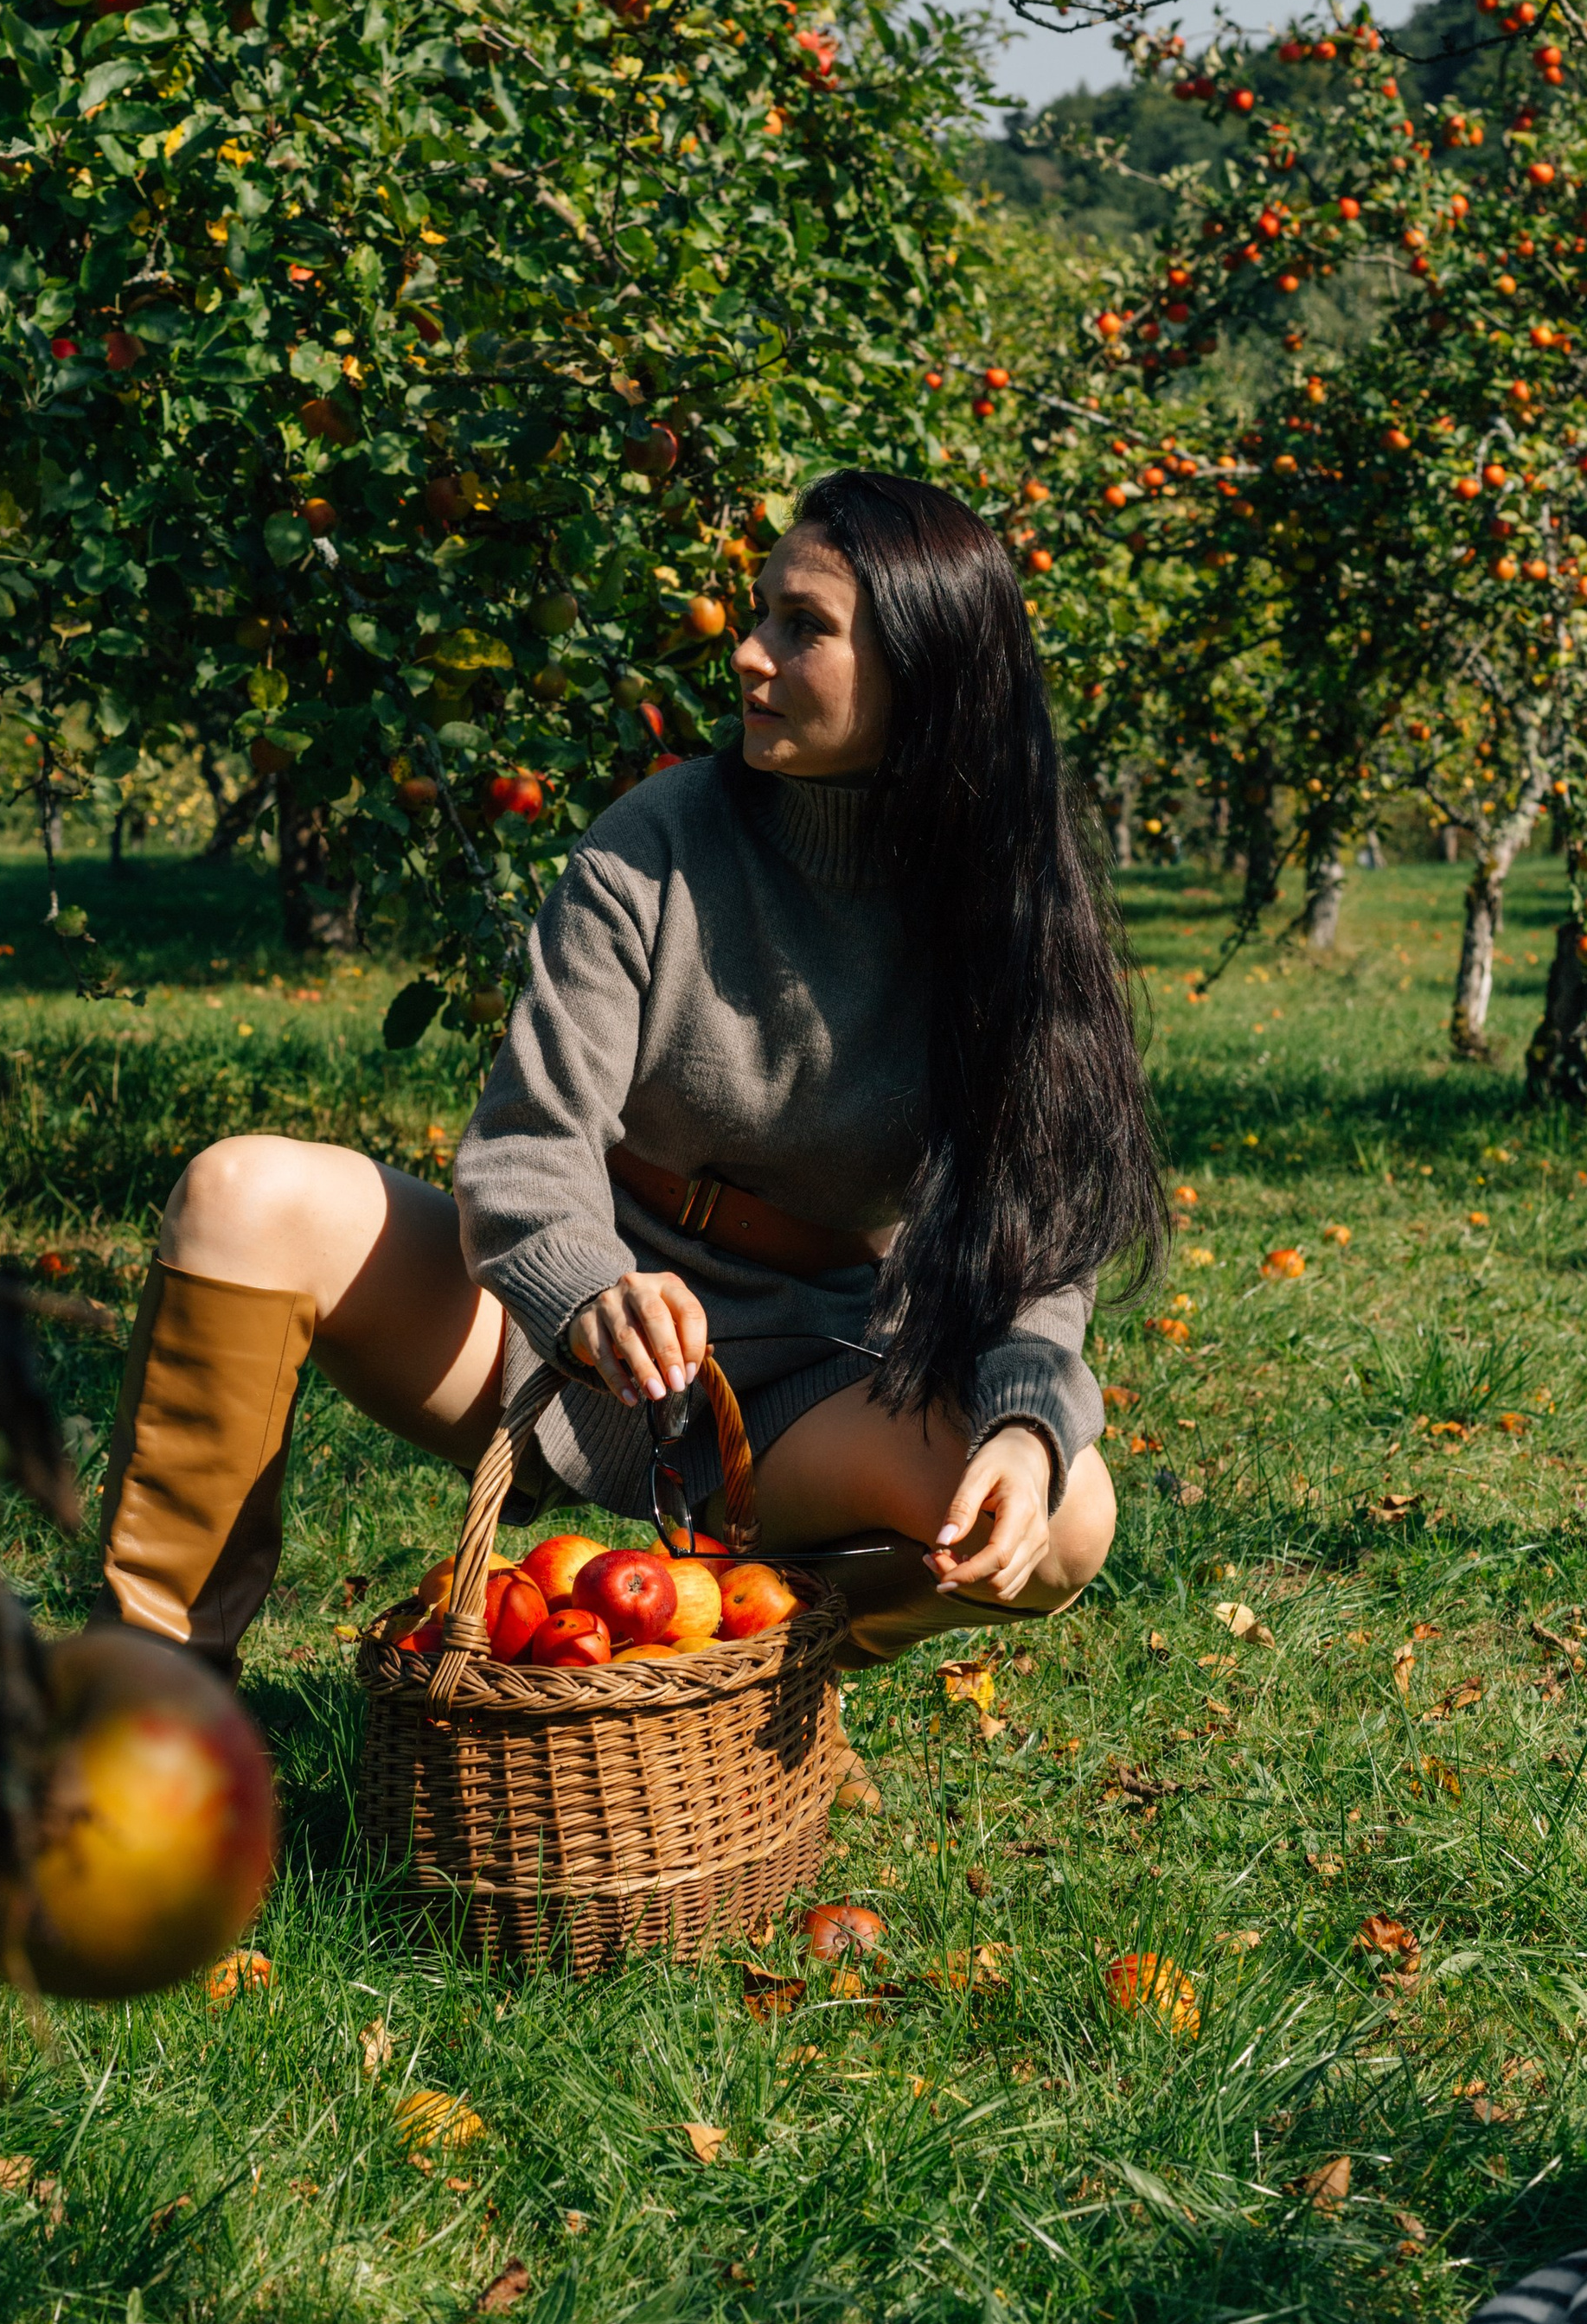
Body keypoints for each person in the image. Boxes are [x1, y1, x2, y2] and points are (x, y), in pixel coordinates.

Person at [96, 467, 1164, 1682]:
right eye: (758, 615)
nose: (750, 657)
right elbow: (529, 1140)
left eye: (803, 629)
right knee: (244, 1196)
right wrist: (589, 1289)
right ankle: (156, 1692)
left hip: (814, 1388)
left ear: (927, 669)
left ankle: (761, 1672)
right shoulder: (657, 843)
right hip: (563, 1336)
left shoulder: (1002, 905)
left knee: (1067, 1516)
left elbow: (1043, 1235)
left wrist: (1026, 1425)